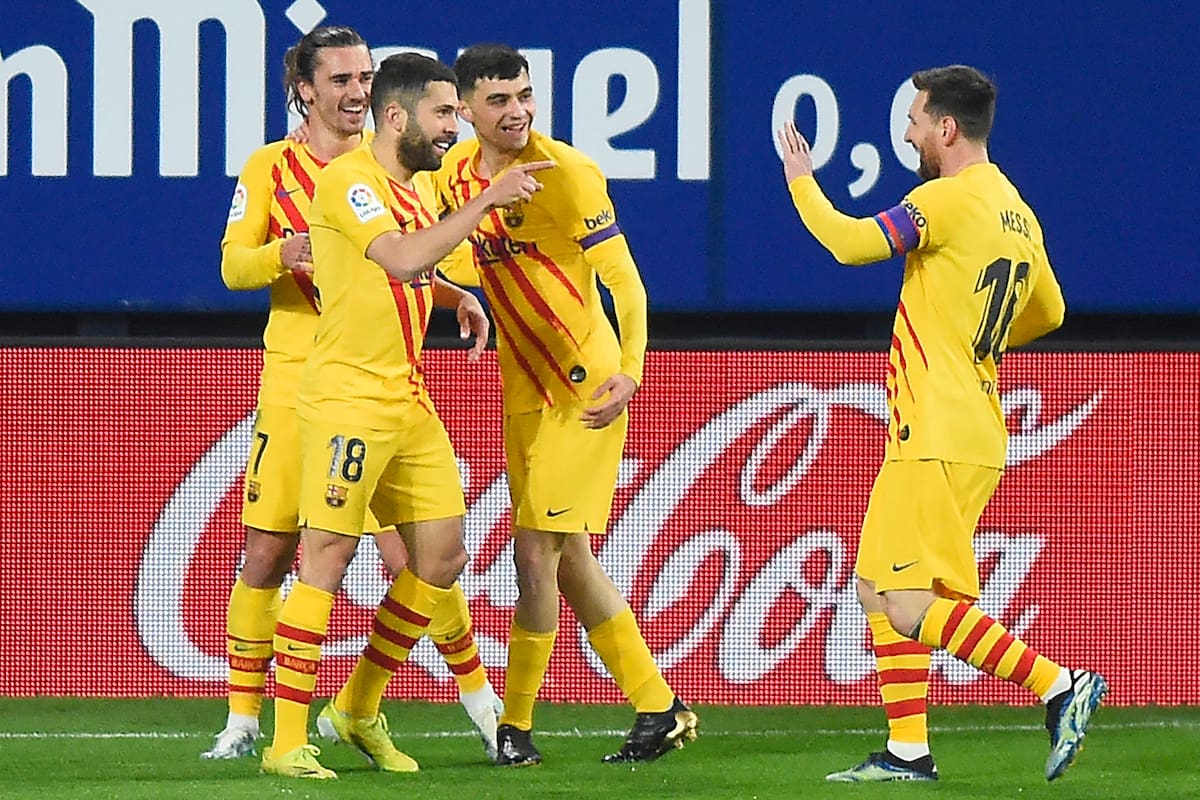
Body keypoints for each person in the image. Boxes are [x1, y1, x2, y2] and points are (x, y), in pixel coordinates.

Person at [777, 64, 1106, 783]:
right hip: (972, 426)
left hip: (935, 429)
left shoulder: (944, 201)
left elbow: (851, 243)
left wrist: (800, 179)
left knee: (907, 602)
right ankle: (907, 752)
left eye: (916, 120)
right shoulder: (1016, 209)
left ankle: (1057, 686)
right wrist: (977, 341)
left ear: (946, 128)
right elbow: (1049, 312)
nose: (909, 132)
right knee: (875, 587)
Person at [208, 27, 500, 764]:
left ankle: (447, 701)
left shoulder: (403, 172)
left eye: (365, 77)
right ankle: (248, 721)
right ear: (305, 89)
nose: (355, 91)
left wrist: (450, 290)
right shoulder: (274, 169)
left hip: (388, 378)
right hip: (301, 378)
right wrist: (284, 252)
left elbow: (411, 261)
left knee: (423, 553)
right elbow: (232, 266)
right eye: (339, 79)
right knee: (274, 549)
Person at [260, 51, 552, 780]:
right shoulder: (350, 181)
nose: (453, 128)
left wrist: (458, 297)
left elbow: (420, 264)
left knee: (443, 559)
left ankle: (356, 706)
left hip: (408, 397)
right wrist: (485, 202)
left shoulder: (416, 189)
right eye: (443, 114)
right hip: (346, 399)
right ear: (397, 117)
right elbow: (393, 257)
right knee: (327, 557)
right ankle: (285, 744)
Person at [431, 44, 698, 766]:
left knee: (535, 553)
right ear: (464, 110)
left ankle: (512, 728)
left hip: (588, 386)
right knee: (573, 558)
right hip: (523, 388)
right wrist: (453, 292)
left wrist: (634, 372)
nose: (516, 110)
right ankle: (660, 707)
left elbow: (625, 281)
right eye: (498, 100)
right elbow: (453, 255)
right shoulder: (459, 174)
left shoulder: (567, 174)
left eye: (523, 95)